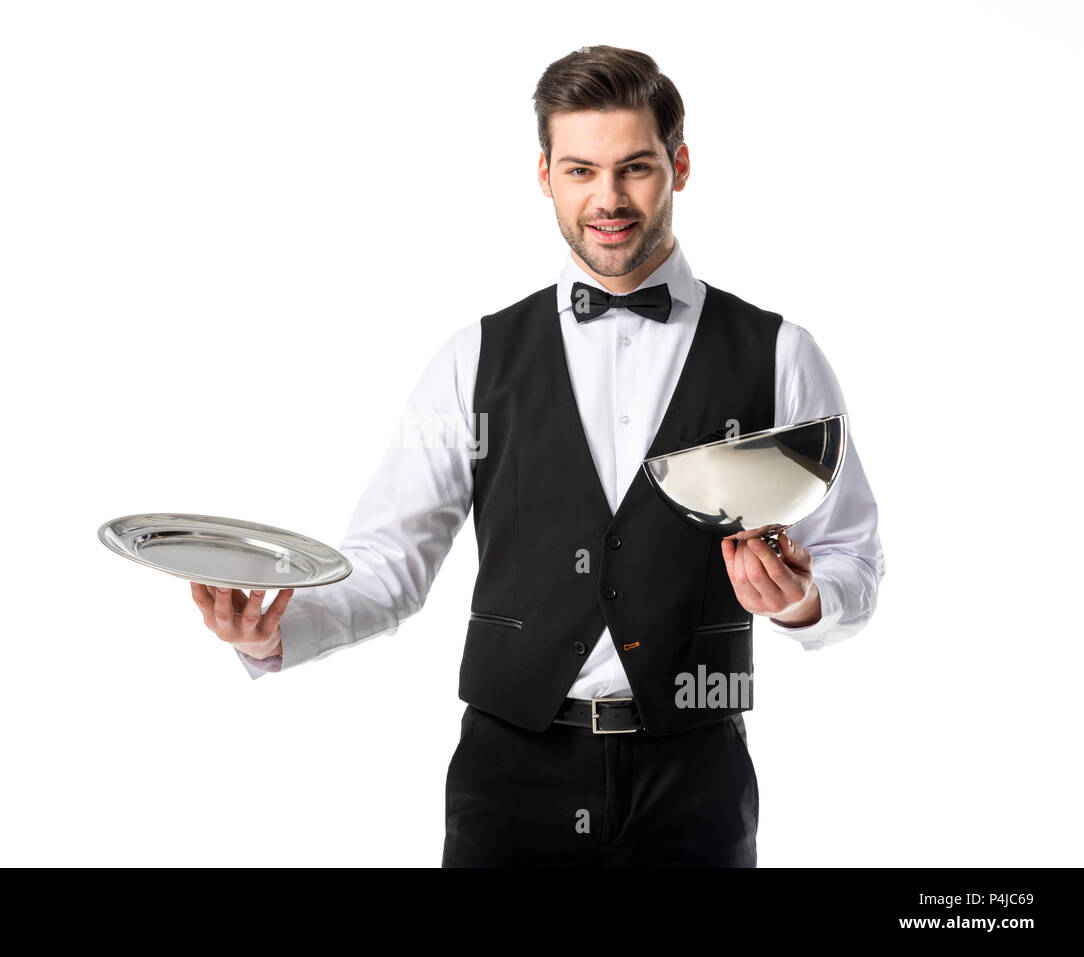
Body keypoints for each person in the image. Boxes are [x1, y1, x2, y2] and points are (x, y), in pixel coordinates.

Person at [190, 45, 884, 867]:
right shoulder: (473, 357)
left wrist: (803, 600)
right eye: (581, 170)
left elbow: (854, 559)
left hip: (696, 775)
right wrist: (275, 630)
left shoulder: (778, 352)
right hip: (510, 776)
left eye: (635, 168)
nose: (609, 199)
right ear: (545, 173)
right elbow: (390, 561)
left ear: (681, 165)